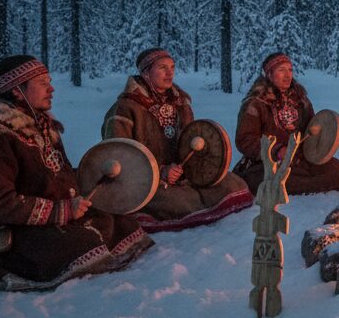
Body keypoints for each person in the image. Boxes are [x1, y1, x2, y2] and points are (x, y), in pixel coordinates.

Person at [0, 55, 153, 292]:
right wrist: (62, 211)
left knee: (121, 224)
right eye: (42, 83)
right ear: (18, 91)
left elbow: (53, 173)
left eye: (49, 81)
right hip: (8, 226)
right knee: (83, 244)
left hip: (49, 215)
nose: (51, 89)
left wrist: (90, 177)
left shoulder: (42, 128)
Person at [102, 48, 252, 231]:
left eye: (172, 67)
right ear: (146, 72)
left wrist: (195, 167)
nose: (169, 72)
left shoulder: (181, 103)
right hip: (146, 182)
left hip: (182, 175)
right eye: (162, 67)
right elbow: (119, 158)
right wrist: (161, 171)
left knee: (234, 184)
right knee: (181, 203)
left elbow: (190, 142)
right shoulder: (125, 108)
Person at [233, 53, 339, 194]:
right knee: (269, 179)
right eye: (281, 70)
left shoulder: (301, 100)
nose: (288, 75)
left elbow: (311, 129)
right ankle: (295, 183)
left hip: (300, 159)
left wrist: (322, 139)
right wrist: (276, 151)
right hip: (267, 163)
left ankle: (298, 181)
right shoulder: (255, 104)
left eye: (290, 70)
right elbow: (245, 140)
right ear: (269, 74)